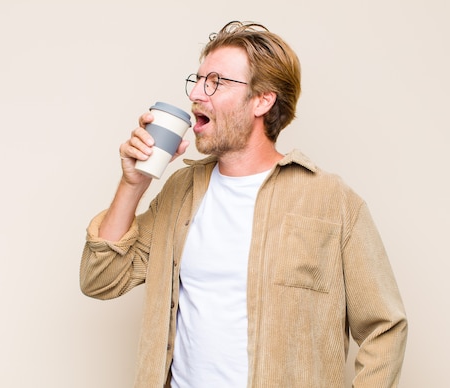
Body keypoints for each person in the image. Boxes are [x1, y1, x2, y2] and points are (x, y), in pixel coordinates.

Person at [80, 21, 408, 387]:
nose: (198, 95)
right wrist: (133, 183)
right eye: (199, 80)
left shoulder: (333, 202)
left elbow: (386, 327)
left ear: (262, 100)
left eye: (216, 82)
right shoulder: (180, 191)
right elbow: (101, 279)